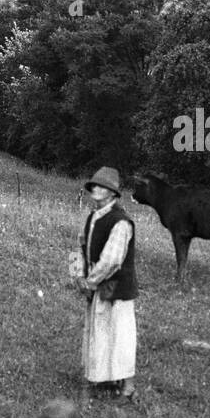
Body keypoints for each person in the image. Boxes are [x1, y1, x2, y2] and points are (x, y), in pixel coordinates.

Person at [73, 167, 138, 401]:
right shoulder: (92, 217)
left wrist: (90, 282)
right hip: (96, 285)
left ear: (113, 194)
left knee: (120, 335)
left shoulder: (121, 222)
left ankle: (127, 387)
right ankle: (99, 380)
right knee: (98, 333)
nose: (96, 190)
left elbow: (111, 260)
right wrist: (79, 274)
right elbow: (81, 246)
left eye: (103, 187)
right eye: (94, 186)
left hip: (117, 289)